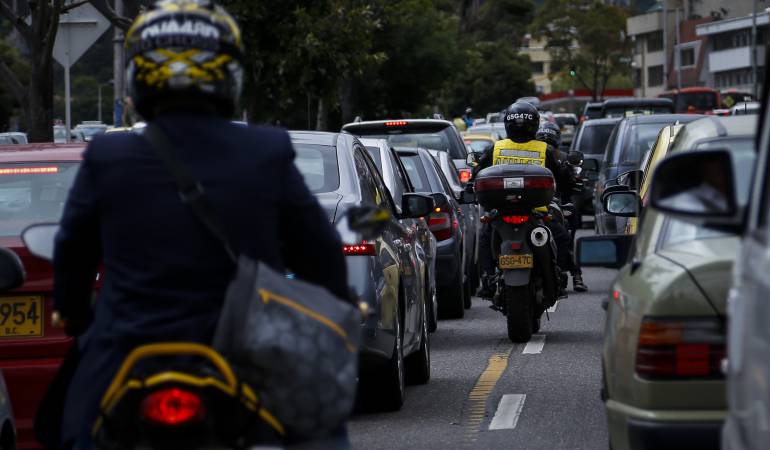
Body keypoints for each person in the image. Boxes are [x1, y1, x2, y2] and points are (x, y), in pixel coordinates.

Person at [50, 1, 349, 448]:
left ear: (138, 75)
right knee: (320, 433)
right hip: (245, 355)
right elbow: (323, 259)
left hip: (125, 352)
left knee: (69, 434)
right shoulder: (266, 151)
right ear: (229, 73)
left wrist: (74, 315)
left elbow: (72, 252)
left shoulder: (108, 155)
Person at [475, 101, 573, 298]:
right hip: (538, 211)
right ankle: (560, 276)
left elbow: (477, 173)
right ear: (535, 125)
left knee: (485, 236)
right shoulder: (544, 149)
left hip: (501, 212)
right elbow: (562, 177)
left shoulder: (496, 148)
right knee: (562, 236)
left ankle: (487, 279)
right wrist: (570, 181)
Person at [535, 122, 587, 292]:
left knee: (567, 231)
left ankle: (569, 272)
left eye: (550, 144)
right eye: (544, 143)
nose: (547, 147)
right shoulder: (535, 154)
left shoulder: (562, 158)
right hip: (536, 204)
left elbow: (569, 180)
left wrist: (573, 180)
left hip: (556, 202)